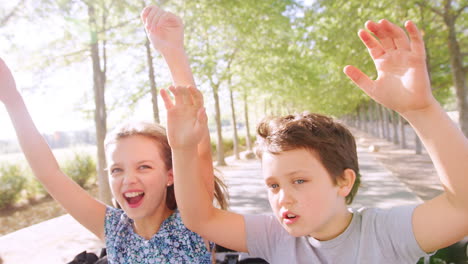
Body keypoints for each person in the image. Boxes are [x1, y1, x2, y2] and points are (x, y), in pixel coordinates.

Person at [164, 19, 468, 263]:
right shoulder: (275, 235)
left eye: (299, 181)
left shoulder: (386, 232)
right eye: (273, 185)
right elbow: (199, 217)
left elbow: (462, 209)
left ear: (344, 182)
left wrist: (421, 110)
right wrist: (181, 147)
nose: (283, 197)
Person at [0, 5, 226, 263]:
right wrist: (12, 99)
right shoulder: (113, 229)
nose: (128, 179)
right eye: (117, 170)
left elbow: (196, 139)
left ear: (170, 175)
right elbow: (49, 173)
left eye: (143, 167)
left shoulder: (194, 220)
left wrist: (172, 51)